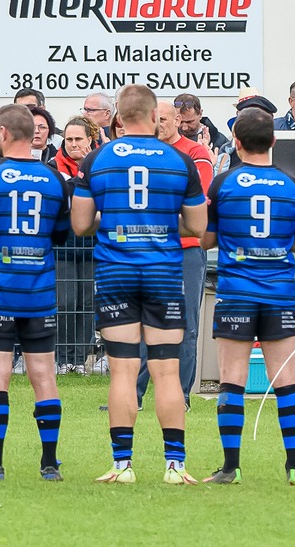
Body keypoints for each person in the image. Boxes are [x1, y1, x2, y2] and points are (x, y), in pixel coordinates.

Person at [73, 83, 209, 485]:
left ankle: (122, 465)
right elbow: (198, 227)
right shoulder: (178, 160)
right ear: (154, 117)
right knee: (166, 371)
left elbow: (81, 224)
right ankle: (174, 466)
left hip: (115, 273)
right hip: (163, 273)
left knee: (122, 371)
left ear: (117, 119)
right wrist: (164, 225)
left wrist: (113, 222)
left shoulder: (96, 160)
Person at [205, 107, 295, 486]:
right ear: (275, 140)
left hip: (235, 292)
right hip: (279, 293)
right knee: (285, 380)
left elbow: (205, 239)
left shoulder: (222, 184)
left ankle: (230, 468)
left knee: (232, 379)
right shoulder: (292, 186)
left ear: (236, 143)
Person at [0, 104, 73, 481]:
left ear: (2, 134)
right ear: (33, 135)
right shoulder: (54, 179)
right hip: (39, 292)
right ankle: (49, 464)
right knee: (44, 375)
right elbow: (60, 234)